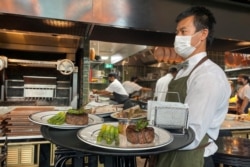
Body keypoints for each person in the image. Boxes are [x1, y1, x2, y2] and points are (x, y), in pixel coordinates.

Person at [156, 6, 231, 167]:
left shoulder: (208, 76)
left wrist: (153, 139)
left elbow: (191, 134)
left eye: (183, 32)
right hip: (173, 153)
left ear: (203, 34)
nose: (178, 37)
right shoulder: (185, 70)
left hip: (192, 158)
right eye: (177, 33)